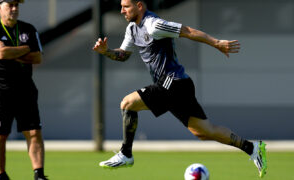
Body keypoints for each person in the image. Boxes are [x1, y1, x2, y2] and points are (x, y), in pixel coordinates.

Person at [92, 0, 267, 178]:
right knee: (205, 132)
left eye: (126, 6)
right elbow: (123, 55)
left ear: (139, 5)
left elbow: (187, 31)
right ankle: (252, 148)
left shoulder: (154, 24)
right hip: (178, 85)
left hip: (173, 82)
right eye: (121, 6)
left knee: (128, 103)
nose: (122, 11)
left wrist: (217, 43)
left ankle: (126, 154)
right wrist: (106, 51)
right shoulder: (131, 29)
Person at [0, 0, 48, 179]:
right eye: (9, 5)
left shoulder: (28, 28)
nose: (14, 8)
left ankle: (39, 175)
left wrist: (12, 52)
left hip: (25, 87)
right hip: (0, 90)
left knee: (34, 132)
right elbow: (0, 54)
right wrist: (24, 50)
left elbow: (37, 57)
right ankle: (2, 175)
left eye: (16, 5)